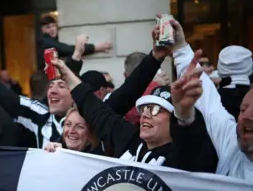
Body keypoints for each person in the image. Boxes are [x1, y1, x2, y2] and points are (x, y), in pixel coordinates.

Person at [0, 29, 169, 149]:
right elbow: (3, 94)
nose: (52, 91)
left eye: (61, 85)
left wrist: (155, 58)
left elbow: (129, 91)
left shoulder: (94, 112)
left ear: (75, 91)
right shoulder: (39, 114)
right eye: (50, 86)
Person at [55, 55, 217, 172]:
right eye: (144, 108)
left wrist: (185, 114)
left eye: (155, 110)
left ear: (174, 121)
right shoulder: (130, 140)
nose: (145, 114)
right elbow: (96, 108)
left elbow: (191, 140)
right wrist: (67, 74)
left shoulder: (182, 156)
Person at [172, 20, 253, 180]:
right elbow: (208, 102)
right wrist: (180, 48)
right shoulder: (232, 144)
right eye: (243, 110)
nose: (246, 117)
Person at [37, 15, 112, 69]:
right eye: (48, 27)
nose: (51, 29)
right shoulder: (46, 41)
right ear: (42, 30)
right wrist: (95, 47)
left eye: (53, 26)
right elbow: (67, 49)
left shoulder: (50, 41)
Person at [44, 107, 110, 155]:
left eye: (80, 126)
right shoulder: (57, 148)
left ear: (92, 133)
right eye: (68, 124)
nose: (71, 131)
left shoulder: (100, 163)